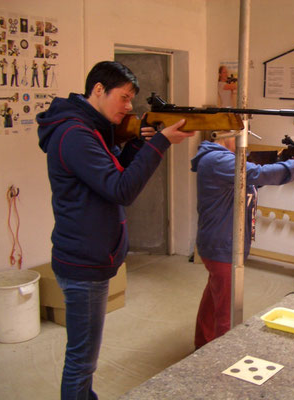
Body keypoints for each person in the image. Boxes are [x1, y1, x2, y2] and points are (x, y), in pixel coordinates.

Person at [37, 60, 195, 399]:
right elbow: (121, 188)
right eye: (123, 98)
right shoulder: (75, 134)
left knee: (84, 357)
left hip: (89, 255)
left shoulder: (90, 128)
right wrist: (160, 144)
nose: (128, 108)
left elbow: (112, 169)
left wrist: (140, 143)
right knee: (82, 360)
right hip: (83, 261)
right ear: (98, 90)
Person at [191, 133, 294, 348]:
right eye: (244, 131)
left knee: (214, 298)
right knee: (227, 311)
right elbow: (257, 173)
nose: (245, 139)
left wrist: (288, 163)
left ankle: (203, 343)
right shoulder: (219, 160)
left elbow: (251, 181)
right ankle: (220, 356)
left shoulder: (224, 158)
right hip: (222, 243)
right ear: (230, 134)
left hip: (225, 241)